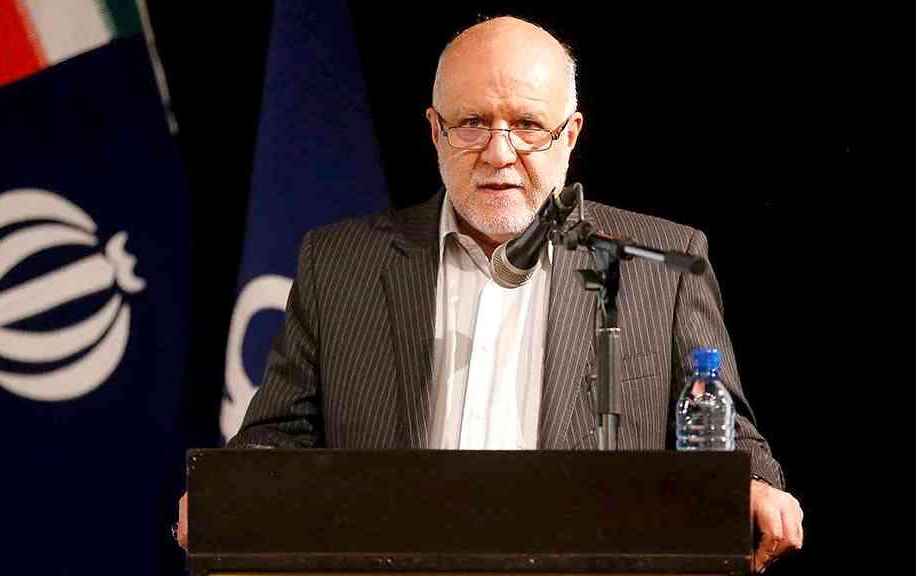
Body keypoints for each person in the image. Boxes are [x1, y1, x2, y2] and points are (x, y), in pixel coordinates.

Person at [177, 15, 803, 572]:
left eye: (528, 125)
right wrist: (227, 491)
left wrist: (752, 484)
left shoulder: (661, 263)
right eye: (472, 123)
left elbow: (727, 431)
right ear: (434, 130)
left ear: (570, 134)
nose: (499, 154)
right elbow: (276, 435)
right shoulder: (341, 263)